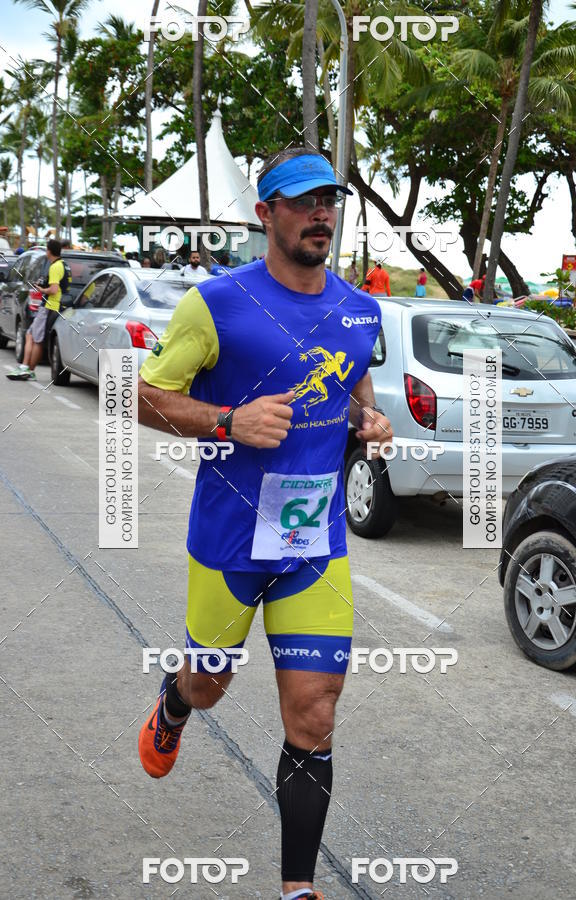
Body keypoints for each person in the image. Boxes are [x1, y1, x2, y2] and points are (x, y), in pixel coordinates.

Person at [137, 146, 393, 900]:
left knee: (315, 711)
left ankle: (296, 889)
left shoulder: (358, 308)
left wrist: (367, 418)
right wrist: (227, 419)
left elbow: (349, 389)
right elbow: (141, 397)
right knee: (211, 682)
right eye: (303, 201)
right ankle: (176, 702)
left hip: (314, 542)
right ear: (266, 215)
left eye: (329, 201)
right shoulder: (213, 304)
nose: (321, 213)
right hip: (228, 538)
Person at [6, 239, 65, 381]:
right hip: (49, 306)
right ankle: (26, 368)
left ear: (49, 251)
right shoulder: (60, 265)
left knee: (36, 339)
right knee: (31, 335)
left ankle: (27, 369)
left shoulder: (55, 267)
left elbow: (54, 289)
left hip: (49, 306)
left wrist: (41, 289)